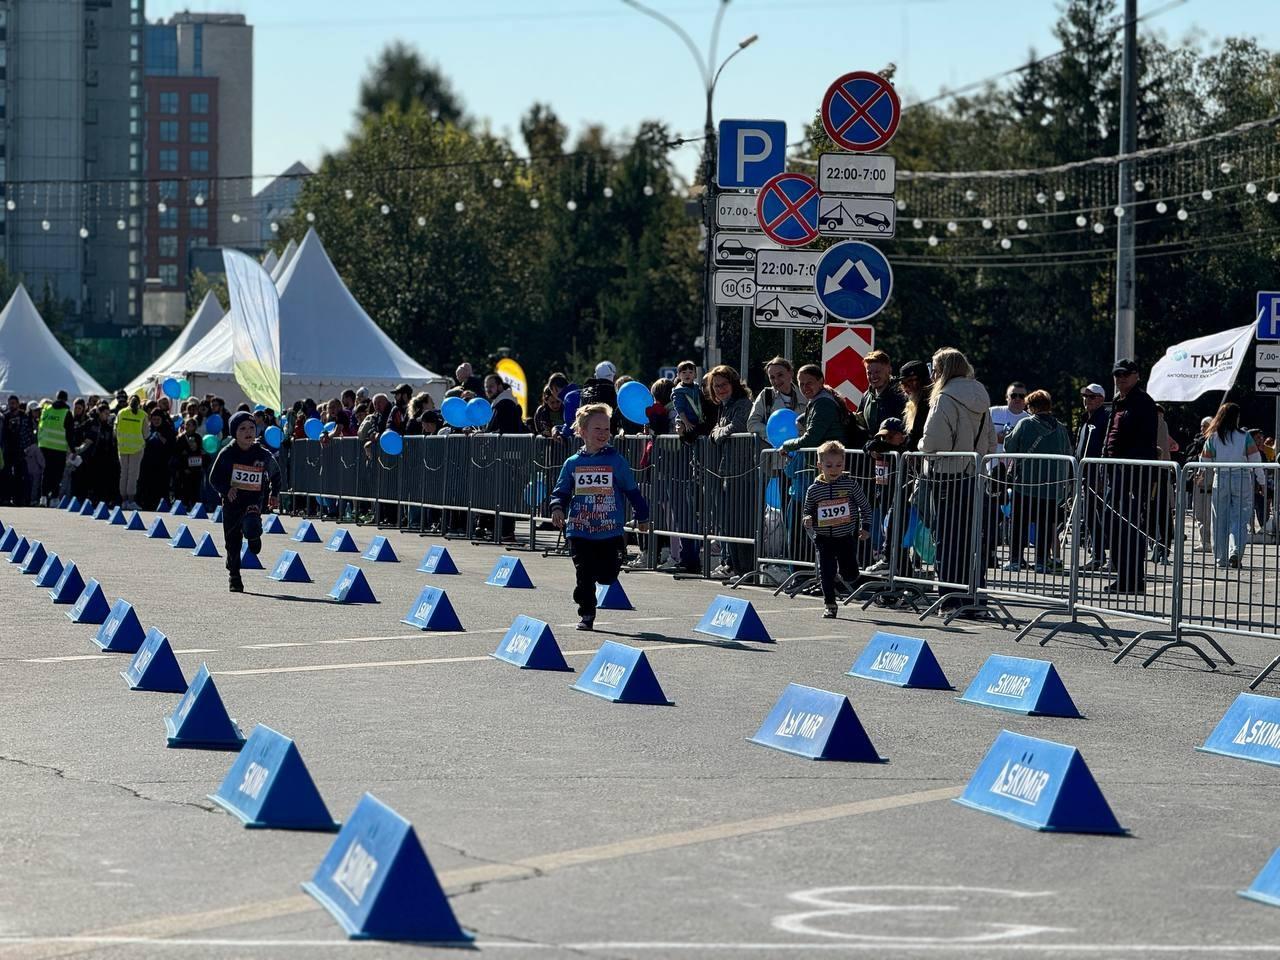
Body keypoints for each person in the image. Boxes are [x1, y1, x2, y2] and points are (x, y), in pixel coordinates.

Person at [549, 403, 650, 630]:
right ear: (582, 432)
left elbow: (632, 491)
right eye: (597, 429)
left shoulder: (616, 461)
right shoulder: (573, 463)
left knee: (607, 576)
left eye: (607, 429)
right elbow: (561, 491)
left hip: (610, 529)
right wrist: (557, 508)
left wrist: (642, 516)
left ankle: (598, 574)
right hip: (580, 529)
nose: (604, 433)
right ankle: (586, 613)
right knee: (583, 573)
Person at [920, 347, 998, 608]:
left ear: (942, 370)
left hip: (947, 475)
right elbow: (990, 442)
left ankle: (950, 598)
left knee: (947, 539)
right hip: (974, 475)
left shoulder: (945, 398)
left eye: (934, 368)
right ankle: (975, 597)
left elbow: (933, 442)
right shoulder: (981, 397)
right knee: (971, 540)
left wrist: (920, 446)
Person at [209, 411, 282, 593]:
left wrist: (274, 493)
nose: (248, 432)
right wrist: (227, 489)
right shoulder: (227, 453)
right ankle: (234, 575)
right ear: (234, 433)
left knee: (251, 524)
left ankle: (254, 535)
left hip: (253, 501)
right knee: (232, 542)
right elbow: (213, 478)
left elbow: (276, 473)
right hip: (232, 503)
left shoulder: (262, 453)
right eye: (242, 429)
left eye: (251, 427)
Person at [1102, 358, 1158, 593]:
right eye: (1117, 374)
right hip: (1117, 471)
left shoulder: (1143, 402)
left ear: (1137, 375)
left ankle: (1133, 579)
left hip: (1134, 474)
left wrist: (1128, 466)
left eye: (1126, 374)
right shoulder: (1118, 401)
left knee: (1130, 526)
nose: (1121, 378)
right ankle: (1125, 576)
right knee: (1114, 524)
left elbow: (1144, 441)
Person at [1003, 389, 1072, 572]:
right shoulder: (1061, 428)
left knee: (1019, 523)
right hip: (1050, 487)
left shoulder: (1025, 424)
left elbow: (1010, 447)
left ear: (1031, 407)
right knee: (1044, 526)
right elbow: (1068, 454)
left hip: (1025, 484)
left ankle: (1016, 560)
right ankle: (1042, 562)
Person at [802, 439, 873, 618]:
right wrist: (808, 519)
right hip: (823, 537)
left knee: (849, 572)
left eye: (838, 465)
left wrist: (865, 527)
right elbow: (807, 509)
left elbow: (865, 506)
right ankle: (830, 604)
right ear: (820, 465)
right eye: (829, 465)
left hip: (845, 536)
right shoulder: (814, 489)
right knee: (826, 572)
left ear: (844, 464)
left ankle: (847, 575)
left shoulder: (850, 485)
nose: (834, 469)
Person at [1200, 402, 1263, 569]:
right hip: (1241, 477)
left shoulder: (1212, 437)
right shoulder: (1245, 437)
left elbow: (1204, 461)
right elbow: (1256, 460)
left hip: (1220, 476)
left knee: (1219, 519)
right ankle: (1235, 551)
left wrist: (1200, 474)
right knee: (1240, 519)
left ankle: (1220, 558)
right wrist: (1262, 481)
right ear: (1236, 418)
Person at [706, 365, 753, 579]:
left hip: (744, 471)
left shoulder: (743, 404)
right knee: (730, 521)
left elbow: (738, 427)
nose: (720, 389)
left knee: (741, 522)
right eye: (716, 386)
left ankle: (745, 568)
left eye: (723, 385)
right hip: (729, 470)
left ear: (733, 384)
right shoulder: (723, 407)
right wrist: (718, 431)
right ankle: (734, 565)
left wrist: (717, 432)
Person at [1077, 383, 1111, 569]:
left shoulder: (1105, 418)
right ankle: (1098, 555)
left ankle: (1113, 557)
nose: (1086, 400)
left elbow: (1106, 449)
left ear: (1100, 399)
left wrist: (1101, 476)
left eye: (1091, 397)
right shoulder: (1086, 420)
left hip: (1099, 475)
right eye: (1085, 396)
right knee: (1090, 516)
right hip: (1086, 474)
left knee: (1106, 517)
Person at [781, 365, 849, 452]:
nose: (805, 387)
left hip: (829, 460)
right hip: (826, 460)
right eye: (801, 384)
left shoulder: (823, 403)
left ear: (820, 382)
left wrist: (786, 445)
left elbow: (811, 439)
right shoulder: (818, 401)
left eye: (809, 383)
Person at [746, 357, 807, 439]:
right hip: (773, 449)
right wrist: (774, 433)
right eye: (772, 377)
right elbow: (752, 424)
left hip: (801, 448)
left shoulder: (806, 395)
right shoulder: (766, 395)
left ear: (791, 373)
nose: (776, 380)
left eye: (780, 375)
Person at [857, 350, 904, 449]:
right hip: (871, 456)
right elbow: (861, 425)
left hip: (894, 457)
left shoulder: (900, 395)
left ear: (889, 370)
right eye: (869, 373)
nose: (873, 376)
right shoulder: (866, 396)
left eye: (877, 372)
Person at [1184, 416, 1214, 553]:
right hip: (1197, 479)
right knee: (1199, 512)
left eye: (1205, 426)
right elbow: (1189, 457)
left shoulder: (1214, 440)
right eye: (1202, 426)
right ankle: (1203, 540)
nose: (1202, 429)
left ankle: (1208, 541)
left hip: (1209, 481)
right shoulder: (1197, 441)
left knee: (1208, 513)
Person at [36, 390, 72, 505]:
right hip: (59, 446)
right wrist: (73, 448)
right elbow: (70, 433)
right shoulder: (66, 412)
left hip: (44, 445)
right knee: (57, 473)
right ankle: (54, 498)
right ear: (66, 399)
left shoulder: (47, 409)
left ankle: (43, 497)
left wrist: (40, 441)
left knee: (47, 471)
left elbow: (40, 426)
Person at [115, 393, 146, 509]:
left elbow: (115, 429)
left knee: (124, 474)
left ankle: (123, 501)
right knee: (133, 475)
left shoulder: (121, 413)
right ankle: (131, 501)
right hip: (137, 448)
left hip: (123, 447)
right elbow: (146, 433)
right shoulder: (143, 415)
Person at [990, 381, 1030, 455]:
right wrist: (996, 438)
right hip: (991, 463)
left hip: (1016, 465)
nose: (1017, 398)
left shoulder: (1029, 419)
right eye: (1013, 395)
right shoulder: (992, 412)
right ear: (1006, 397)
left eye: (1021, 396)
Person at [899, 360, 931, 450]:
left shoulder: (926, 402)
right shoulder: (913, 403)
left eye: (910, 381)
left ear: (923, 381)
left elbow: (916, 434)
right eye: (903, 383)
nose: (905, 387)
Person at [671, 361, 704, 433]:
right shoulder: (678, 392)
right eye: (684, 372)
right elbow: (679, 409)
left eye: (690, 372)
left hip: (697, 420)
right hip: (685, 422)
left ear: (695, 375)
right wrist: (686, 423)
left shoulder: (697, 388)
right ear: (678, 375)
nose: (687, 375)